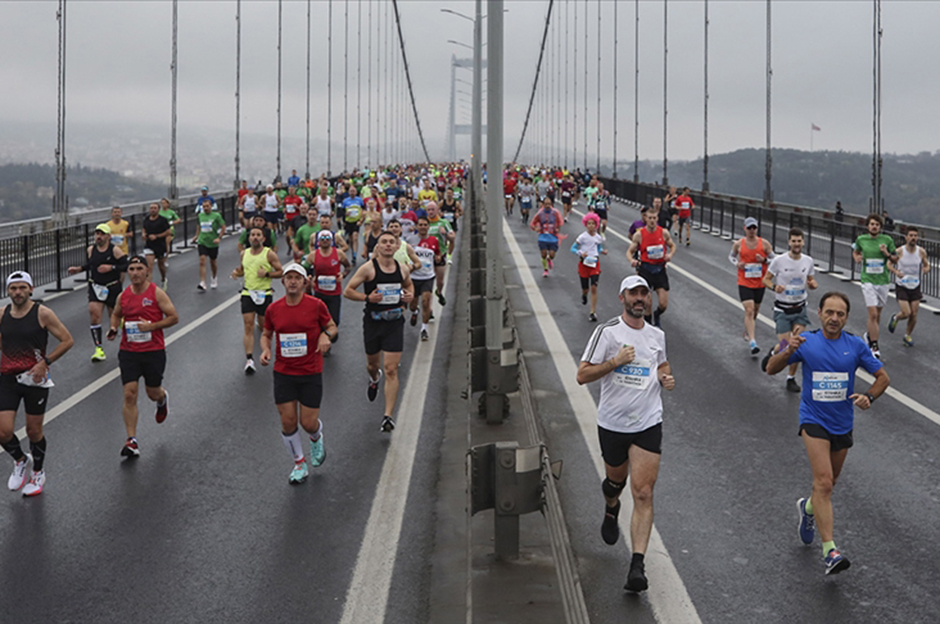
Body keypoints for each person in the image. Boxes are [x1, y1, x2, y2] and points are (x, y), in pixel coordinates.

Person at [765, 292, 889, 575]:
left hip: (842, 424)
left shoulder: (856, 345)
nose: (834, 318)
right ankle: (830, 551)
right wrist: (786, 350)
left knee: (828, 483)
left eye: (840, 314)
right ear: (819, 313)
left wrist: (869, 396)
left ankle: (808, 509)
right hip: (813, 420)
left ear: (846, 318)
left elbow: (884, 378)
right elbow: (770, 369)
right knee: (824, 482)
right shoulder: (805, 341)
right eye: (829, 312)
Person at [576, 275, 675, 593]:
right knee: (614, 482)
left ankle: (637, 566)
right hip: (613, 424)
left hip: (647, 422)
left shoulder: (657, 335)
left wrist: (665, 377)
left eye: (644, 294)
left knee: (644, 492)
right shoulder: (607, 333)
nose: (640, 298)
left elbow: (661, 363)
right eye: (634, 293)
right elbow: (582, 375)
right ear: (622, 298)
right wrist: (614, 362)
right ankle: (611, 506)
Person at [261, 263, 337, 484]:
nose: (292, 281)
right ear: (283, 282)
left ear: (305, 282)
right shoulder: (273, 309)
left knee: (307, 422)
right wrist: (265, 348)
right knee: (288, 421)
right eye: (288, 277)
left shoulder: (316, 305)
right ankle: (299, 464)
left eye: (297, 277)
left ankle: (316, 436)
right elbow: (266, 333)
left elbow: (332, 326)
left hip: (310, 371)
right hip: (283, 372)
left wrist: (326, 336)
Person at [1, 271, 74, 497]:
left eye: (22, 288)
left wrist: (45, 363)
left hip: (34, 380)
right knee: (3, 432)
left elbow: (67, 340)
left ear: (31, 289)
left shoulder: (42, 313)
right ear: (8, 291)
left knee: (34, 431)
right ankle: (21, 460)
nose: (18, 292)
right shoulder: (2, 314)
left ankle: (38, 472)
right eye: (13, 288)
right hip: (7, 378)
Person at [107, 256, 179, 459]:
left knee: (152, 392)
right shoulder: (124, 295)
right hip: (129, 351)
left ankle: (162, 399)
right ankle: (132, 440)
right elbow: (116, 314)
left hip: (153, 351)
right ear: (128, 272)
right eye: (132, 269)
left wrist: (151, 326)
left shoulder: (156, 293)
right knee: (129, 394)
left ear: (147, 271)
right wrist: (113, 328)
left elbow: (174, 317)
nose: (135, 273)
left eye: (139, 268)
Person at [343, 231, 415, 433]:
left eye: (392, 242)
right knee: (372, 365)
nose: (388, 245)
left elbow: (408, 285)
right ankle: (374, 378)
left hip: (394, 323)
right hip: (373, 323)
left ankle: (388, 417)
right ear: (378, 246)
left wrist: (408, 297)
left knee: (392, 369)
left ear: (397, 245)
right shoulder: (368, 269)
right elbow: (348, 291)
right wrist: (367, 298)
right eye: (384, 242)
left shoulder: (402, 269)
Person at [761, 228, 818, 392]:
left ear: (803, 242)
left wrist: (813, 284)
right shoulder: (779, 261)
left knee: (797, 345)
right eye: (793, 241)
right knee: (786, 345)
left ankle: (790, 378)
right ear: (789, 242)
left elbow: (811, 280)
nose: (797, 244)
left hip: (800, 308)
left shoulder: (808, 261)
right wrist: (774, 287)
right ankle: (775, 351)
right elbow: (765, 279)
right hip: (783, 309)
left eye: (799, 241)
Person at [68, 223, 128, 362]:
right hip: (96, 286)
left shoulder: (115, 250)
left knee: (115, 317)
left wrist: (111, 267)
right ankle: (99, 349)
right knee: (94, 313)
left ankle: (125, 342)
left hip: (112, 286)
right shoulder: (91, 249)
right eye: (97, 234)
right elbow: (92, 264)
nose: (99, 237)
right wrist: (79, 269)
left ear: (108, 236)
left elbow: (126, 266)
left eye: (102, 234)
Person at [232, 227, 283, 374]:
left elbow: (281, 272)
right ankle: (249, 360)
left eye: (258, 235)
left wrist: (266, 273)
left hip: (264, 293)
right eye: (253, 235)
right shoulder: (244, 253)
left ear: (263, 238)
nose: (255, 237)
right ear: (249, 238)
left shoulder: (269, 254)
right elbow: (243, 270)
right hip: (248, 292)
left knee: (264, 327)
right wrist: (237, 273)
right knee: (248, 326)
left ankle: (266, 350)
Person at [851, 213, 897, 359]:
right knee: (873, 314)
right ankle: (874, 346)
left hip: (882, 281)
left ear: (880, 227)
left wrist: (886, 253)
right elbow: (856, 250)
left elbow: (895, 258)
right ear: (867, 226)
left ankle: (869, 336)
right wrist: (856, 257)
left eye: (877, 225)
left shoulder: (887, 240)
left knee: (878, 315)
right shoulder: (861, 239)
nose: (874, 227)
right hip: (867, 280)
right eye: (872, 224)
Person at [729, 217, 774, 355]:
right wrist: (737, 264)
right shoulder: (739, 244)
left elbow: (775, 259)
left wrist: (764, 260)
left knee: (755, 311)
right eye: (749, 228)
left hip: (760, 282)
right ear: (744, 228)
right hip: (744, 281)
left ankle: (749, 330)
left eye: (754, 228)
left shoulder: (764, 244)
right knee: (749, 310)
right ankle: (753, 342)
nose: (752, 230)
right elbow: (731, 256)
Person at [627, 207, 676, 327]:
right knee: (647, 303)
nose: (652, 220)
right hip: (645, 269)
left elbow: (672, 245)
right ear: (646, 219)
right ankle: (649, 326)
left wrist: (670, 255)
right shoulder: (639, 235)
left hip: (660, 269)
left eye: (654, 218)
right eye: (650, 218)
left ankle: (657, 314)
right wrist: (632, 260)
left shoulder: (663, 232)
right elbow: (629, 251)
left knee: (663, 304)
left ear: (657, 218)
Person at [887, 226, 931, 347]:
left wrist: (926, 269)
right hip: (902, 285)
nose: (913, 238)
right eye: (911, 235)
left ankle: (907, 336)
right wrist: (895, 272)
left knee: (914, 313)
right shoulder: (899, 251)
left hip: (915, 285)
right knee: (906, 313)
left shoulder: (921, 252)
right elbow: (889, 263)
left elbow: (927, 265)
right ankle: (896, 318)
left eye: (915, 236)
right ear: (906, 237)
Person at [308, 230, 351, 331]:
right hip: (319, 292)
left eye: (327, 239)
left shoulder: (339, 253)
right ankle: (324, 340)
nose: (325, 241)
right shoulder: (313, 255)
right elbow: (305, 269)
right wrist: (310, 277)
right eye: (322, 239)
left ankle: (329, 335)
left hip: (334, 293)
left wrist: (343, 275)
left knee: (335, 320)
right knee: (320, 320)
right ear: (319, 242)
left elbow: (348, 267)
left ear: (331, 241)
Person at [408, 217, 440, 341]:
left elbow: (438, 254)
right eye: (420, 225)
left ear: (428, 227)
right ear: (417, 226)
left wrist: (438, 258)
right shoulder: (411, 240)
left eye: (425, 225)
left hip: (428, 276)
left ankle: (424, 329)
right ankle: (415, 312)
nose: (422, 227)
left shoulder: (434, 240)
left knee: (426, 302)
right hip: (413, 277)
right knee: (412, 304)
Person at [572, 212, 607, 322]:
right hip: (584, 263)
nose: (591, 226)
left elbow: (599, 248)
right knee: (586, 288)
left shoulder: (598, 237)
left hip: (594, 263)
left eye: (593, 223)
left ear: (596, 225)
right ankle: (584, 294)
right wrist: (580, 253)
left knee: (594, 287)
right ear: (586, 225)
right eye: (589, 223)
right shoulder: (582, 237)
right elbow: (572, 248)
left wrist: (603, 251)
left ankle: (592, 312)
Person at [192, 198, 226, 291]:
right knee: (202, 261)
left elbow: (223, 226)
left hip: (213, 242)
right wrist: (197, 235)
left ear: (211, 206)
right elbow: (199, 225)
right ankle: (202, 282)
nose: (206, 208)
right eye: (204, 207)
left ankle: (214, 278)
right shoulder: (200, 215)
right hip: (202, 241)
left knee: (213, 261)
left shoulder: (216, 215)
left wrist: (219, 238)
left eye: (207, 206)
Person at [426, 201, 455, 305]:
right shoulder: (424, 223)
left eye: (433, 209)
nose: (431, 212)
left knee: (440, 281)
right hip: (427, 256)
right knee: (428, 282)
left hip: (440, 254)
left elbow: (453, 237)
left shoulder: (443, 223)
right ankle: (428, 307)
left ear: (437, 210)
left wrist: (445, 233)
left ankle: (439, 292)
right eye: (429, 210)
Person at [530, 197, 565, 278]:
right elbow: (532, 224)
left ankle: (549, 259)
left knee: (552, 255)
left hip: (553, 237)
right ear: (543, 204)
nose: (547, 206)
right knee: (543, 254)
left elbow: (560, 222)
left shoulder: (555, 212)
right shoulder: (540, 213)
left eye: (549, 204)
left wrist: (557, 229)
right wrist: (536, 228)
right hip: (543, 237)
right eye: (546, 204)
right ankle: (545, 269)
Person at [141, 202, 172, 290]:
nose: (153, 210)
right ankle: (148, 287)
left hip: (160, 245)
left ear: (158, 210)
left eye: (155, 208)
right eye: (151, 208)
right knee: (149, 266)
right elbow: (144, 228)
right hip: (149, 245)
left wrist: (157, 236)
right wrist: (144, 234)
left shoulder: (163, 220)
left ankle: (163, 279)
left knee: (161, 265)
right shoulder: (146, 219)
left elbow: (168, 232)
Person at [342, 185, 366, 265]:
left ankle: (355, 255)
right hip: (349, 222)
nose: (352, 193)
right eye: (351, 191)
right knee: (351, 239)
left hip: (356, 221)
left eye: (354, 191)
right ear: (348, 192)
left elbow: (363, 211)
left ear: (356, 192)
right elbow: (342, 213)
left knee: (355, 237)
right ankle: (353, 253)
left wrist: (361, 221)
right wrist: (345, 215)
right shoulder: (345, 201)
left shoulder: (359, 200)